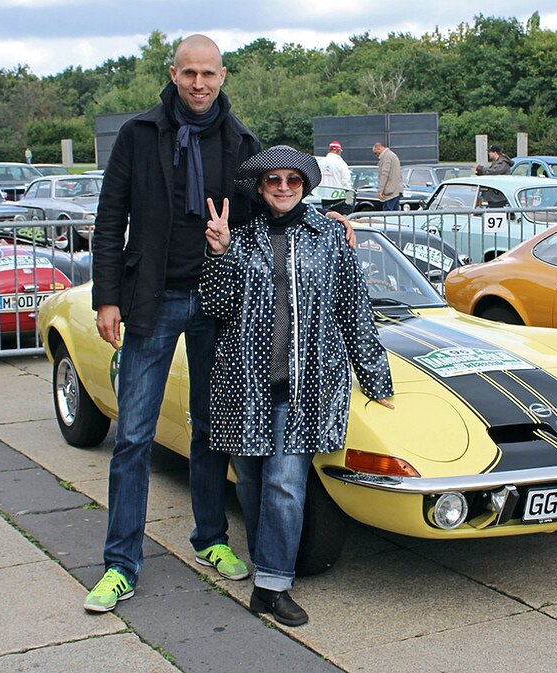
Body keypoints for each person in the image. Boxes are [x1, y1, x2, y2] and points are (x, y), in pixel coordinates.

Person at [85, 33, 263, 613]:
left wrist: (332, 219)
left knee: (212, 429)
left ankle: (210, 540)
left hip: (216, 301)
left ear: (223, 75)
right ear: (173, 73)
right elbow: (110, 218)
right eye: (188, 73)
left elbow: (270, 218)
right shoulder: (139, 135)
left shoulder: (242, 144)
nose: (198, 84)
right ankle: (120, 565)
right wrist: (106, 298)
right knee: (134, 435)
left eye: (208, 74)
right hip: (152, 300)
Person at [201, 145, 395, 627]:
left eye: (293, 179)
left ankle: (272, 585)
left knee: (285, 484)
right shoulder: (242, 240)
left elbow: (355, 311)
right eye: (274, 180)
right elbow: (217, 307)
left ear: (305, 185)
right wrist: (220, 253)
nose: (283, 187)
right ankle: (269, 563)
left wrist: (376, 378)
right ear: (261, 188)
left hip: (307, 388)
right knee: (249, 482)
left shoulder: (330, 236)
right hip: (244, 386)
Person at [373, 142, 402, 211]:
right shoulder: (392, 155)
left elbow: (384, 173)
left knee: (387, 213)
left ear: (379, 148)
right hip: (396, 190)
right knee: (395, 214)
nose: (376, 155)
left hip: (390, 192)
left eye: (375, 153)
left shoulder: (386, 157)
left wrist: (380, 190)